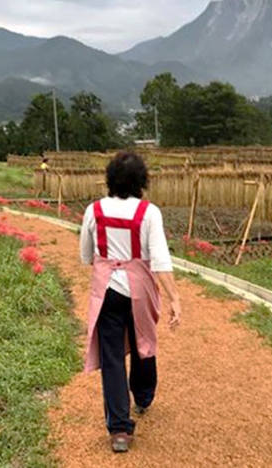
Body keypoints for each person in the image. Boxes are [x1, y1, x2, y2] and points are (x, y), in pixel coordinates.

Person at [79, 151, 182, 453]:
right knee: (143, 341)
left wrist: (109, 263)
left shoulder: (93, 210)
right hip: (141, 289)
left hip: (107, 291)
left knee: (112, 356)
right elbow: (161, 260)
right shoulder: (149, 213)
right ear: (141, 181)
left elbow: (86, 256)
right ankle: (144, 395)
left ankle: (120, 430)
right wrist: (175, 299)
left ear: (109, 179)